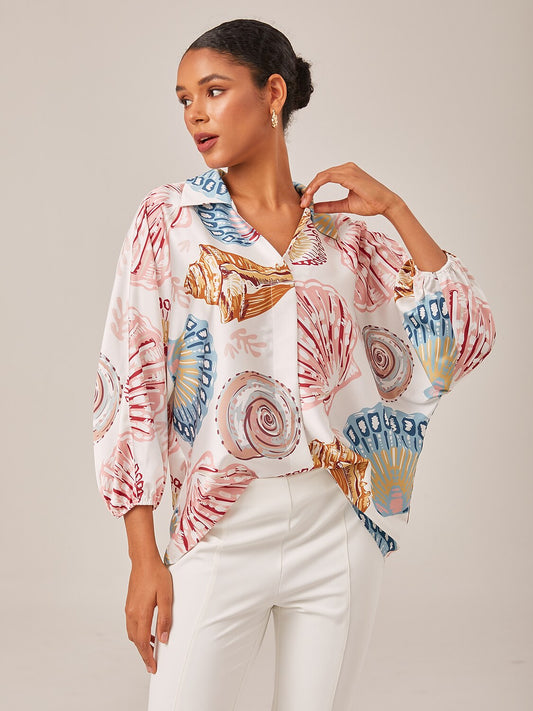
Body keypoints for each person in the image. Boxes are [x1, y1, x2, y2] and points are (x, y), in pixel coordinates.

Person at [92, 18, 496, 711]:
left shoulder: (343, 234)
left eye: (214, 91)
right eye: (185, 99)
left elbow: (464, 336)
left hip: (336, 526)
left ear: (272, 93)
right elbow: (133, 378)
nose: (194, 114)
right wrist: (142, 555)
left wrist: (395, 210)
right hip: (220, 526)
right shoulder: (170, 218)